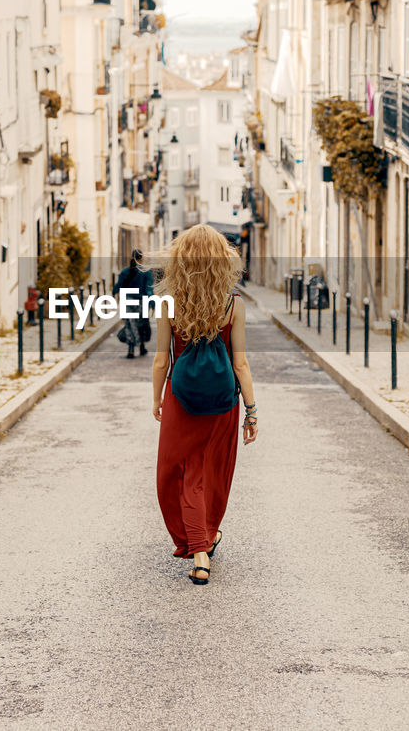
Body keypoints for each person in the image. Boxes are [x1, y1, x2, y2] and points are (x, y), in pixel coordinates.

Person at [149, 225, 258, 586]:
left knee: (179, 476)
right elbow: (240, 363)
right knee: (210, 472)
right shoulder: (234, 305)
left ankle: (199, 551)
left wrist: (157, 398)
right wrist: (251, 411)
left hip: (182, 401)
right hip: (222, 403)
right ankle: (206, 535)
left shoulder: (168, 303)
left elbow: (161, 361)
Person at [113, 249, 152, 358]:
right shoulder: (146, 272)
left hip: (128, 301)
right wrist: (153, 303)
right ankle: (142, 347)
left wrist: (114, 292)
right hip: (142, 302)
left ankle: (131, 349)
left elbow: (118, 285)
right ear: (142, 258)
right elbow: (149, 289)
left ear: (132, 258)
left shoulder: (125, 271)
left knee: (129, 325)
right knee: (142, 324)